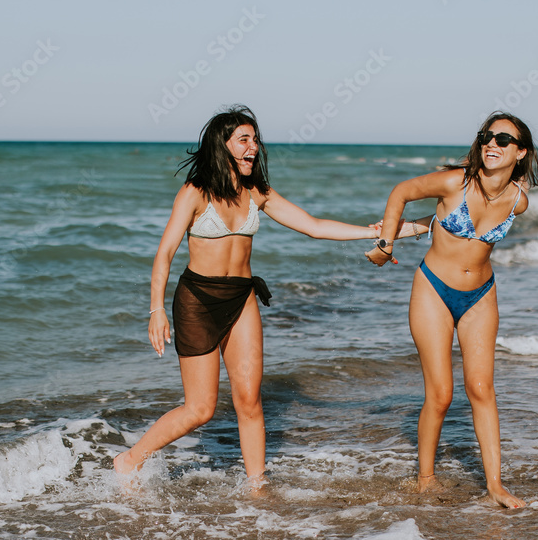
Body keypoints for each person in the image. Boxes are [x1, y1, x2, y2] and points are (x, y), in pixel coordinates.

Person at [115, 105, 408, 485]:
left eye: (255, 140)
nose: (254, 146)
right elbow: (164, 253)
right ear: (223, 146)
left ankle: (257, 487)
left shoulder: (258, 193)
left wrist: (376, 232)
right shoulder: (195, 193)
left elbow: (314, 226)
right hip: (198, 302)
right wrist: (156, 309)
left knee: (249, 400)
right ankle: (130, 459)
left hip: (241, 297)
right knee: (200, 409)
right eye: (244, 140)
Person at [365, 112, 538, 509]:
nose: (492, 144)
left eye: (503, 139)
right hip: (433, 289)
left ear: (521, 151)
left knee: (481, 389)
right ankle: (425, 478)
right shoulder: (454, 181)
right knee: (441, 394)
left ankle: (495, 485)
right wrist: (387, 243)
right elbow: (401, 191)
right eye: (486, 137)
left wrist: (417, 227)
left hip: (481, 294)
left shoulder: (519, 201)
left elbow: (442, 223)